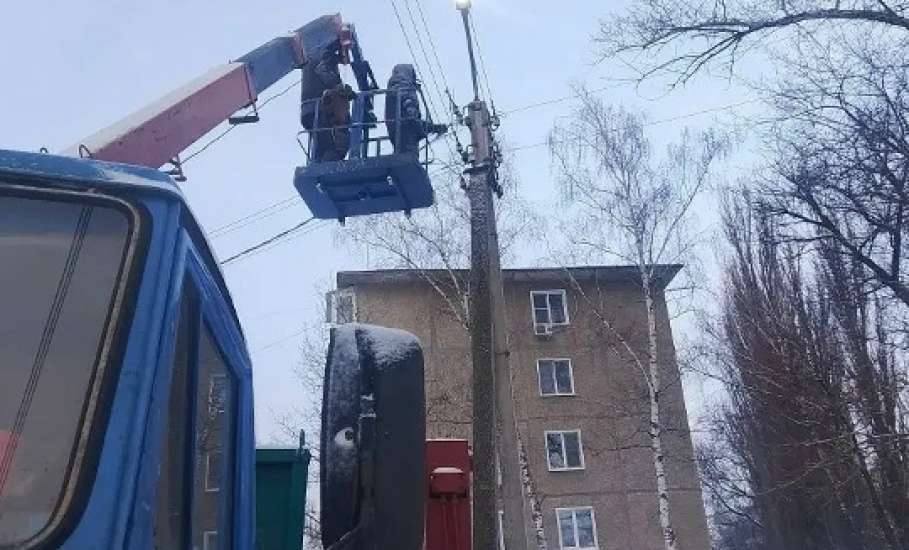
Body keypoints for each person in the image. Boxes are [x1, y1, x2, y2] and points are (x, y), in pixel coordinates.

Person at [384, 64, 446, 156]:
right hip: (407, 134)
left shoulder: (393, 89)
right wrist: (423, 130)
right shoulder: (404, 87)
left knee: (401, 157)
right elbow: (412, 116)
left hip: (397, 132)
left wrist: (432, 127)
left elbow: (409, 117)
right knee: (407, 160)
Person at [315, 84, 357, 162]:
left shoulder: (340, 100)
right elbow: (333, 113)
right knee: (331, 154)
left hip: (334, 131)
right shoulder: (333, 96)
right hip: (333, 131)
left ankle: (326, 161)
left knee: (333, 153)